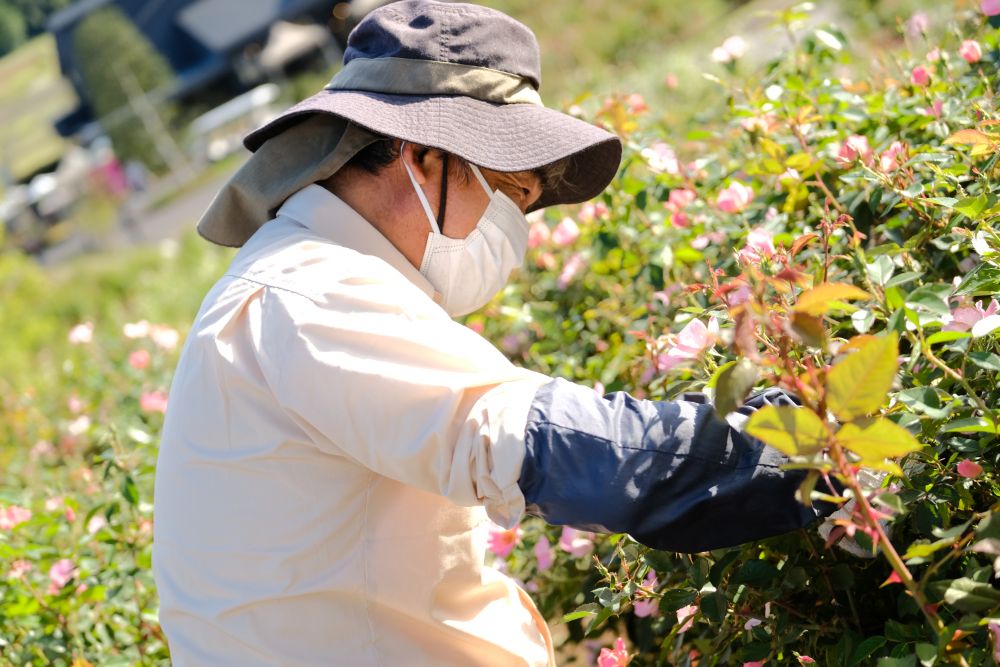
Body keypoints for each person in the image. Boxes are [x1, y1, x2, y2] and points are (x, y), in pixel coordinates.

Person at [152, 2, 832, 665]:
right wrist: (826, 446)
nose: (514, 228)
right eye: (509, 190)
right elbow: (558, 445)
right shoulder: (312, 294)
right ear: (421, 158)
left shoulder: (300, 279)